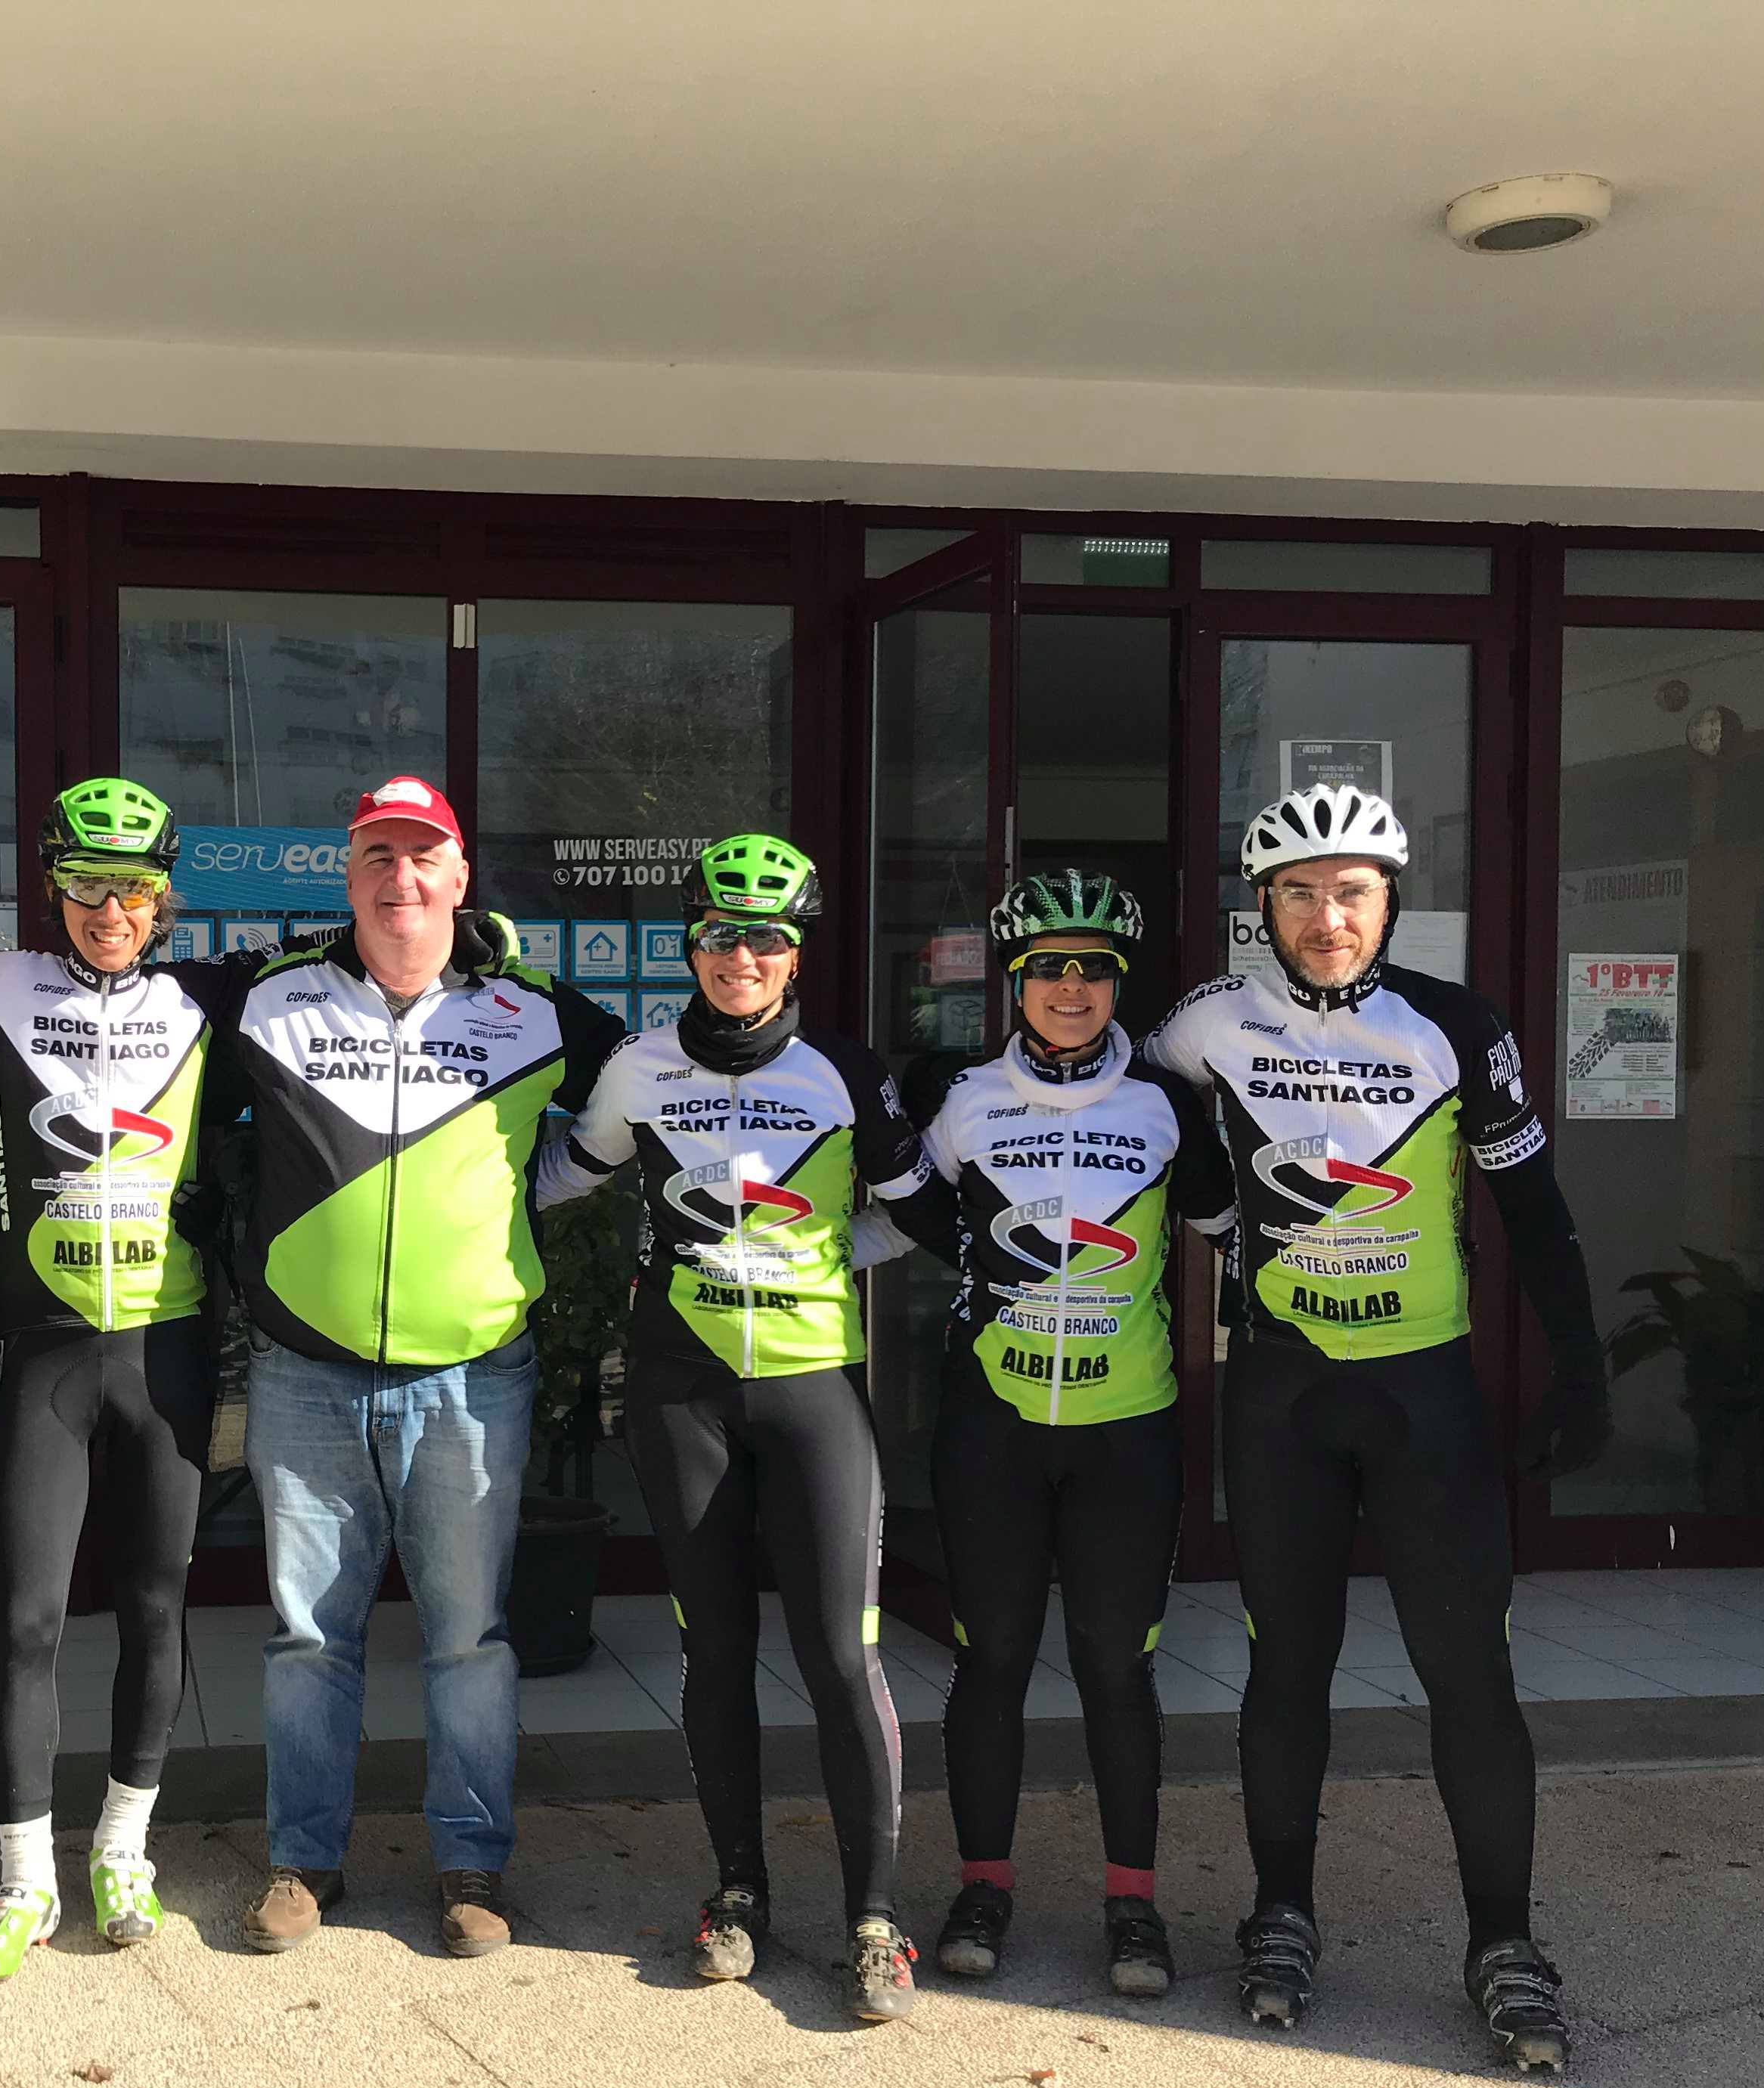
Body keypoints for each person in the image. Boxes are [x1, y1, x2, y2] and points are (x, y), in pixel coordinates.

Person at [1146, 782, 1610, 2071]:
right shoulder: (1209, 1022)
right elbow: (1142, 1112)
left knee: (1471, 1677)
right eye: (1297, 894)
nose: (1326, 917)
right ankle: (1281, 1914)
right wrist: (1218, 1215)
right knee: (1284, 1668)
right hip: (1282, 1395)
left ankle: (1504, 1942)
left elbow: (1535, 1209)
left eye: (1350, 892)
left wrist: (1581, 1368)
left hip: (1424, 1398)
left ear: (1389, 901)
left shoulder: (1456, 1026)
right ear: (1264, 908)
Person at [540, 834, 952, 2022]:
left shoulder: (843, 1071)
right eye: (721, 935)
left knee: (840, 1656)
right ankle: (737, 1892)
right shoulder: (638, 1066)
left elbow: (920, 1213)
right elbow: (568, 1175)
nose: (741, 958)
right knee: (712, 1650)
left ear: (797, 952)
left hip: (813, 1387)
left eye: (766, 938)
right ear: (691, 942)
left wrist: (827, 1251)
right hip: (683, 1391)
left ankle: (874, 1918)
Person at [228, 775, 625, 1959]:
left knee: (469, 1639)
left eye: (422, 856)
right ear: (349, 877)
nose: (399, 878)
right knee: (309, 1636)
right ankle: (304, 1860)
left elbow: (654, 1090)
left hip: (472, 1372)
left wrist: (541, 1187)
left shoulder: (537, 1011)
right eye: (377, 856)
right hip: (304, 1371)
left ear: (458, 877)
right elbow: (123, 1007)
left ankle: (471, 1864)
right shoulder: (267, 999)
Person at [906, 869, 1233, 2003]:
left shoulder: (1163, 1102)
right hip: (991, 1427)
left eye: (1094, 968)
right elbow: (897, 1209)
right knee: (990, 1657)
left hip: (1126, 1429)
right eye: (1048, 967)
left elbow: (1232, 1225)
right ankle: (982, 1888)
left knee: (1115, 1667)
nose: (1071, 987)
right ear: (1016, 981)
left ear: (1117, 982)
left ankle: (1133, 1903)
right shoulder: (962, 1096)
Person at [0, 779, 232, 1985]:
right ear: (54, 889)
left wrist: (472, 944)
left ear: (164, 900)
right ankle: (23, 1877)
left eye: (136, 891)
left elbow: (352, 960)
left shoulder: (207, 995)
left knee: (156, 1608)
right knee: (27, 1620)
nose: (112, 913)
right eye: (88, 888)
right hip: (47, 1352)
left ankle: (121, 1850)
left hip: (166, 1346)